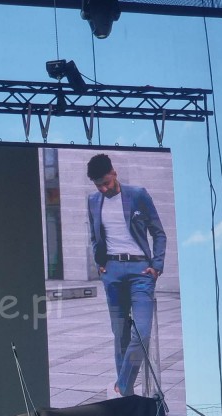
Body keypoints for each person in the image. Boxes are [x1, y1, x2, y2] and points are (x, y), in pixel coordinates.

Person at [87, 154, 166, 397]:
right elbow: (95, 236)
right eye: (98, 185)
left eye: (106, 183)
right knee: (119, 333)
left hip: (141, 271)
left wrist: (157, 265)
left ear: (114, 173)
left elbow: (158, 233)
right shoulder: (93, 200)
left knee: (141, 332)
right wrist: (100, 264)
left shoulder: (138, 195)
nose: (103, 189)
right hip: (112, 272)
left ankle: (121, 384)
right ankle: (127, 393)